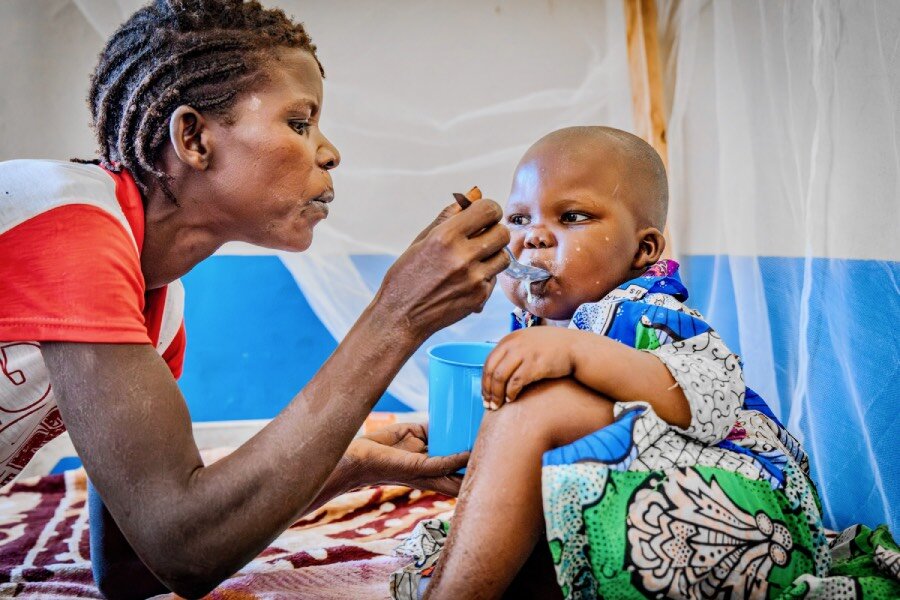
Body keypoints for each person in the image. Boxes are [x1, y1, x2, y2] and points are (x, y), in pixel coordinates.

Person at [0, 1, 512, 598]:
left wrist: (349, 464)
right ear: (193, 137)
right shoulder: (68, 222)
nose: (329, 152)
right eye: (299, 123)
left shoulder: (160, 311)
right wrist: (397, 315)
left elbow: (138, 564)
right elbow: (180, 548)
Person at [390, 126, 832, 599]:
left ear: (643, 251)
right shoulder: (537, 327)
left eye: (572, 216)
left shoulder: (651, 312)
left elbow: (712, 397)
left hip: (742, 516)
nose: (533, 237)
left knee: (540, 408)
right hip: (637, 520)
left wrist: (579, 354)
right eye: (518, 220)